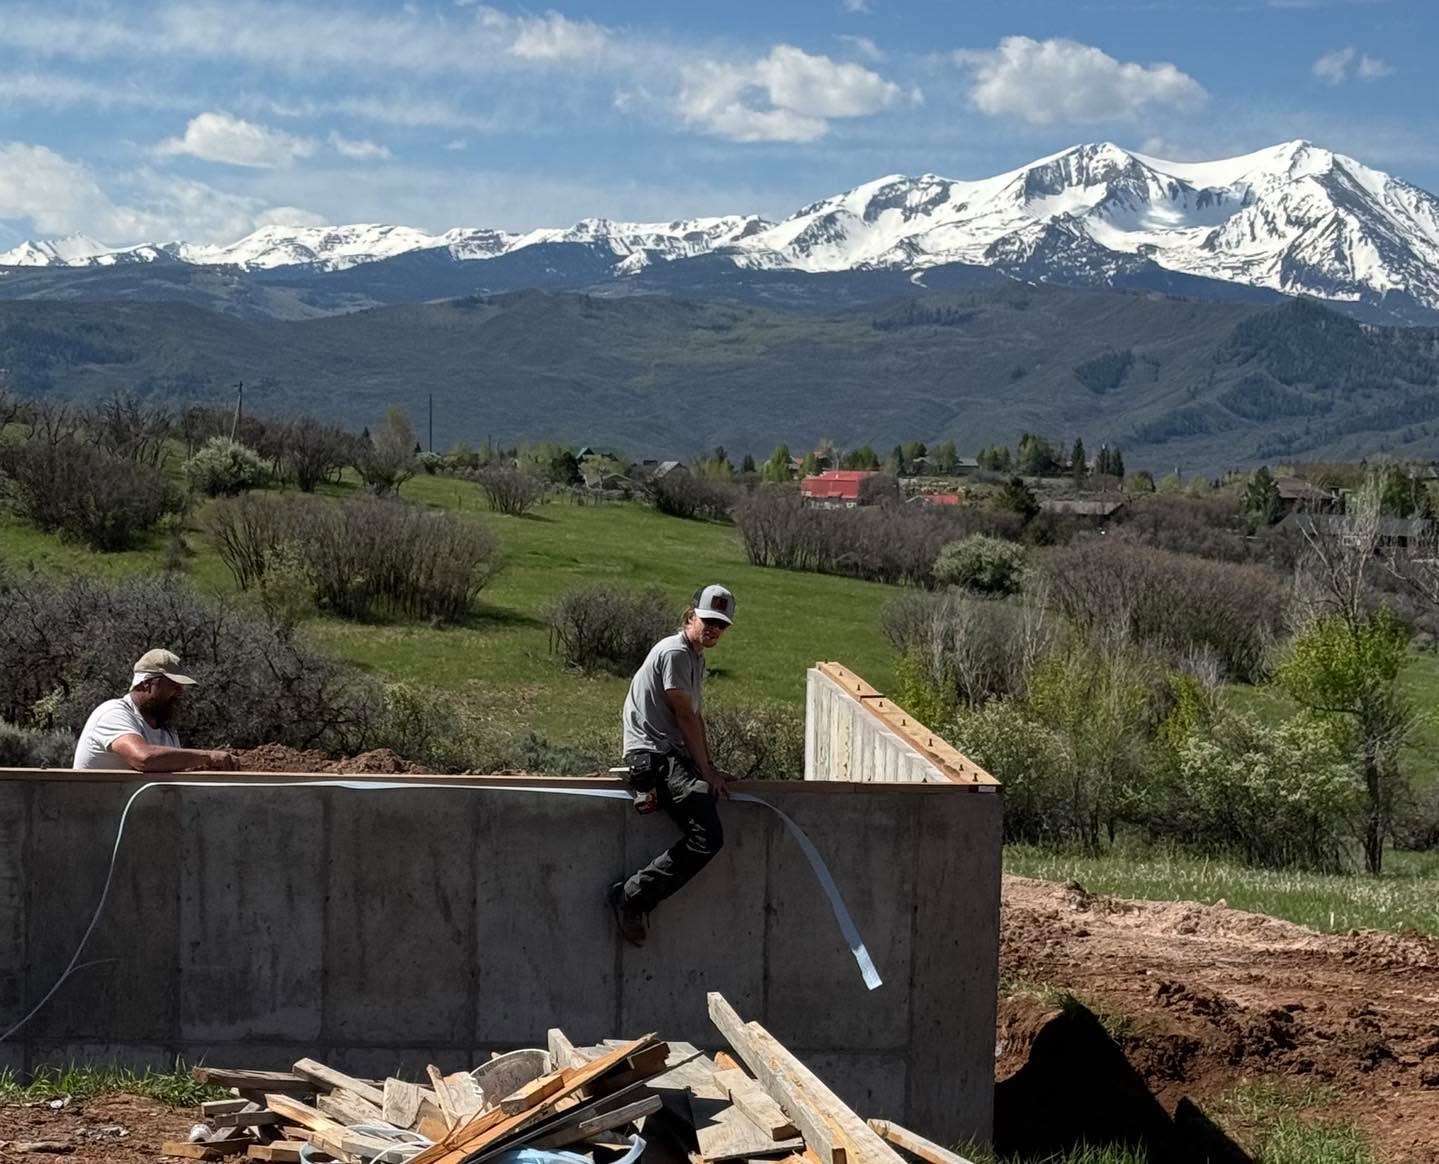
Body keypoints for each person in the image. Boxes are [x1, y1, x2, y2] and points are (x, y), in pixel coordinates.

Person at [607, 584, 736, 947]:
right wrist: (706, 774)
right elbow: (684, 716)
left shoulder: (694, 657)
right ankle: (631, 898)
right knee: (707, 835)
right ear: (690, 615)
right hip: (653, 756)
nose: (713, 629)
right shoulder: (676, 653)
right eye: (708, 620)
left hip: (668, 755)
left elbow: (695, 717)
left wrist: (710, 766)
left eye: (721, 625)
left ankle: (632, 896)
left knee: (705, 822)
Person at [71, 649, 237, 772]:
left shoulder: (167, 730)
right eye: (173, 685)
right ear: (146, 683)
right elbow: (144, 758)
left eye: (181, 687)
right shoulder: (113, 713)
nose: (180, 692)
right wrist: (207, 757)